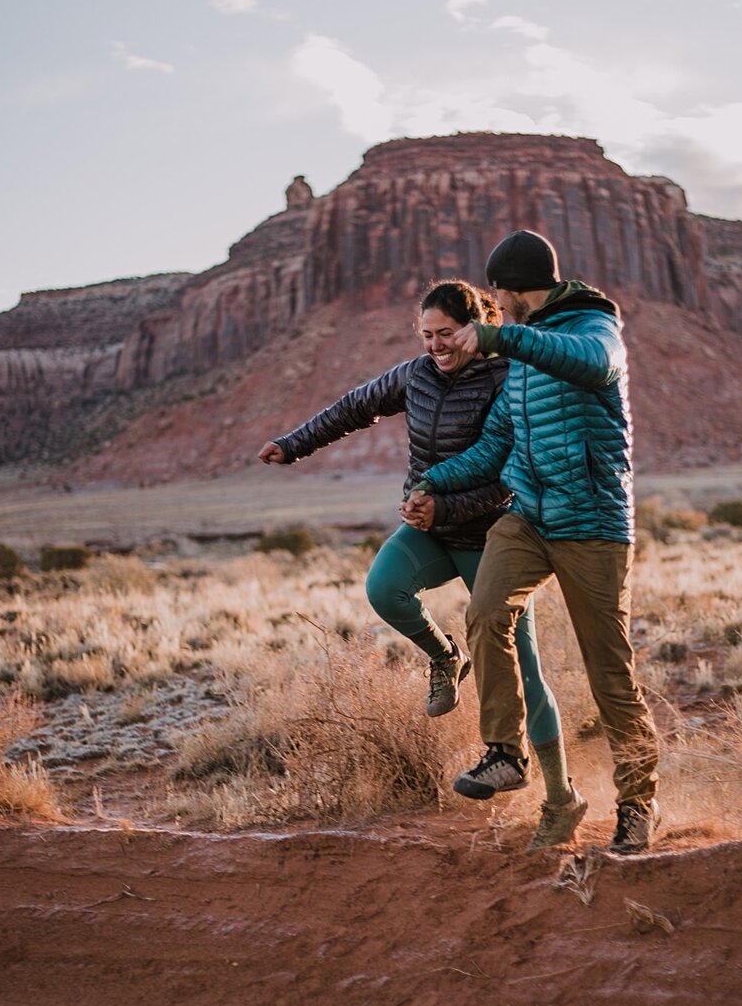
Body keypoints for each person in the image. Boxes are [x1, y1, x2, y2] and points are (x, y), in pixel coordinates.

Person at [404, 231, 660, 855]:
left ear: (514, 291)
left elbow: (591, 365)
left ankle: (637, 805)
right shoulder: (522, 354)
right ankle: (504, 753)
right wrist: (431, 481)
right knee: (486, 612)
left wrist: (498, 337)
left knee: (611, 675)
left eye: (499, 294)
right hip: (529, 518)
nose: (497, 304)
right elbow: (497, 443)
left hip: (593, 522)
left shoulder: (594, 328)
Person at [258, 280, 563, 777]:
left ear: (476, 329)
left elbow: (508, 472)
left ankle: (557, 791)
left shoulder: (508, 379)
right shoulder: (415, 375)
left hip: (495, 538)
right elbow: (351, 409)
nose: (436, 345)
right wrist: (293, 444)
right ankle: (446, 659)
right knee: (385, 589)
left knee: (525, 672)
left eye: (446, 333)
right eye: (427, 334)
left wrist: (443, 509)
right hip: (430, 528)